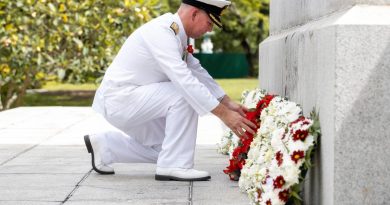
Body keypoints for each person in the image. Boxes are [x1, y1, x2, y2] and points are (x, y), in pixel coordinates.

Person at [84, 0, 256, 181]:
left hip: (130, 100)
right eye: (210, 22)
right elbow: (183, 79)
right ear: (195, 14)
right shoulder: (162, 32)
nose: (210, 29)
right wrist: (224, 115)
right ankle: (175, 165)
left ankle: (105, 146)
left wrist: (227, 102)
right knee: (183, 93)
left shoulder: (176, 34)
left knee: (168, 146)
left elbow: (196, 70)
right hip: (120, 100)